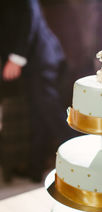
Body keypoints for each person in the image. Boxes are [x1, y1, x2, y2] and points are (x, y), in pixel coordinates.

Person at [0, 0, 76, 182]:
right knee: (38, 116)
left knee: (51, 114)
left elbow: (29, 17)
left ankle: (83, 160)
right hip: (31, 63)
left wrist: (16, 58)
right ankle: (35, 169)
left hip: (41, 58)